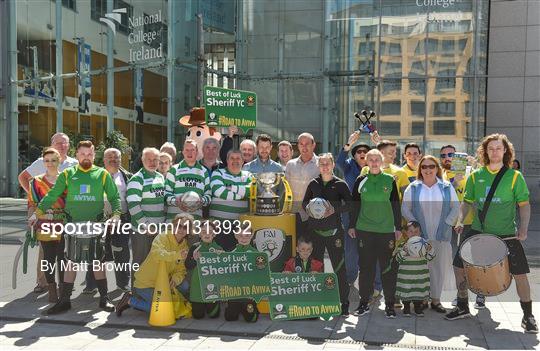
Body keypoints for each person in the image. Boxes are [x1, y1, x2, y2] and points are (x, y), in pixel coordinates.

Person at [446, 134, 537, 334]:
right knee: (458, 266)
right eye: (491, 148)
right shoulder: (476, 176)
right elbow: (467, 202)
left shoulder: (514, 176)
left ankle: (528, 315)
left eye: (498, 148)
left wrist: (523, 229)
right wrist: (461, 219)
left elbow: (524, 205)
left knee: (521, 274)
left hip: (506, 234)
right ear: (485, 152)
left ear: (506, 151)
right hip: (478, 231)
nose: (495, 152)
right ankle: (462, 305)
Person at [30, 140, 120, 315]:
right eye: (83, 154)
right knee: (70, 262)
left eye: (89, 154)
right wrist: (37, 213)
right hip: (72, 225)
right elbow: (52, 195)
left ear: (94, 155)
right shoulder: (67, 174)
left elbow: (114, 197)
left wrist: (116, 215)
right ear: (77, 155)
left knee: (98, 262)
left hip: (95, 225)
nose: (86, 157)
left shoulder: (102, 174)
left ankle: (104, 299)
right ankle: (65, 301)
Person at [19, 132, 78, 293]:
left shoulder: (75, 163)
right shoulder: (41, 162)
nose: (62, 146)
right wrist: (34, 196)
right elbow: (23, 177)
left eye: (65, 143)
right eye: (58, 143)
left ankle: (64, 284)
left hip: (66, 213)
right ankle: (43, 282)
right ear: (52, 145)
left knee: (66, 249)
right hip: (46, 213)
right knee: (46, 249)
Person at [401, 155, 459, 313]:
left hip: (441, 235)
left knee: (438, 268)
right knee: (422, 268)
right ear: (420, 169)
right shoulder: (413, 187)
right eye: (424, 167)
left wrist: (447, 223)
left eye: (431, 166)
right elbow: (405, 208)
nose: (428, 170)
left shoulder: (446, 186)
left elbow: (455, 207)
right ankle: (422, 299)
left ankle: (436, 300)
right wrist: (415, 224)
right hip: (421, 236)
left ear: (437, 169)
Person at [349, 149, 402, 318]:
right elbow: (354, 205)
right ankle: (364, 303)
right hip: (364, 230)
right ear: (366, 161)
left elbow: (395, 205)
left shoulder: (390, 180)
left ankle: (389, 305)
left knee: (387, 269)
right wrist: (352, 225)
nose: (373, 162)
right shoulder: (360, 180)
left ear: (381, 162)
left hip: (386, 230)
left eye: (376, 159)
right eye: (370, 159)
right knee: (366, 268)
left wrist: (398, 227)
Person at [115, 213, 192, 317]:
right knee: (165, 311)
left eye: (185, 227)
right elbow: (157, 254)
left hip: (164, 283)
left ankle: (167, 300)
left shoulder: (184, 246)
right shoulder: (162, 237)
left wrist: (175, 279)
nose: (181, 229)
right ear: (173, 226)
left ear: (188, 230)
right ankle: (130, 300)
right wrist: (177, 255)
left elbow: (181, 270)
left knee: (184, 286)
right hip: (146, 284)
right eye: (178, 226)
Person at [302, 153, 351, 315]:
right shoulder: (313, 183)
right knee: (316, 267)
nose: (324, 166)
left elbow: (351, 205)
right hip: (315, 232)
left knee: (339, 267)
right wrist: (309, 209)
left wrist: (333, 210)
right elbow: (304, 203)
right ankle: (318, 301)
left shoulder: (340, 184)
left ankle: (343, 302)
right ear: (318, 166)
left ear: (332, 165)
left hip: (334, 233)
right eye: (321, 164)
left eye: (327, 163)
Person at [84, 148, 133, 293]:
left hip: (121, 219)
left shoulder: (128, 177)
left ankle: (123, 284)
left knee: (122, 252)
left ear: (120, 159)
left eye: (116, 157)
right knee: (96, 252)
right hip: (98, 220)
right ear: (104, 160)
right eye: (109, 157)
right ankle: (91, 285)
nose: (113, 160)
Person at [439, 145, 480, 307]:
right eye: (444, 155)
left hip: (470, 223)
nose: (447, 157)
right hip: (449, 223)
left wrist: (475, 164)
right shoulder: (439, 174)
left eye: (451, 154)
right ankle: (461, 295)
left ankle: (480, 294)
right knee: (455, 262)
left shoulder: (471, 171)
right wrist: (454, 182)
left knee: (474, 260)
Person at [27, 147, 66, 303]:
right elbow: (32, 203)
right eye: (47, 161)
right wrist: (32, 221)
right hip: (45, 224)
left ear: (59, 161)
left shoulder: (66, 179)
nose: (50, 163)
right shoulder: (36, 182)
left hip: (64, 224)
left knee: (63, 258)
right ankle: (52, 289)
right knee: (48, 259)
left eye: (53, 160)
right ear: (43, 162)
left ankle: (64, 289)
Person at [335, 131, 372, 286]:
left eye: (365, 152)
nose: (362, 153)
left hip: (370, 213)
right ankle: (350, 280)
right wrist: (349, 144)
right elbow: (338, 162)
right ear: (355, 155)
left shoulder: (375, 168)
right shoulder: (349, 167)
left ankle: (369, 281)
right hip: (350, 213)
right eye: (359, 152)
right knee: (350, 249)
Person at [127, 148, 166, 272]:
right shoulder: (137, 179)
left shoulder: (160, 177)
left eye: (155, 159)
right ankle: (136, 292)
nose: (152, 162)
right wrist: (147, 226)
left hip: (158, 229)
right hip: (142, 231)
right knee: (140, 263)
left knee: (155, 263)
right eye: (149, 159)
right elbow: (133, 206)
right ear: (143, 160)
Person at [209, 149, 253, 251]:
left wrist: (232, 188)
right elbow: (219, 191)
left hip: (239, 228)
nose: (235, 161)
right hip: (218, 225)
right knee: (218, 256)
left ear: (243, 161)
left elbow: (251, 191)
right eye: (232, 158)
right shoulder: (218, 173)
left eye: (238, 158)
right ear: (227, 160)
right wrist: (242, 195)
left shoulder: (248, 175)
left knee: (235, 257)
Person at [185, 220, 223, 319]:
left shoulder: (219, 249)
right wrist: (194, 259)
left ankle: (214, 303)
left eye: (210, 231)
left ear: (214, 234)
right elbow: (187, 265)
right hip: (197, 286)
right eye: (203, 231)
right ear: (199, 234)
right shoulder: (195, 247)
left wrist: (221, 258)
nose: (207, 234)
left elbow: (225, 269)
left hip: (213, 286)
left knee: (214, 315)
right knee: (198, 316)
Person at [395, 221, 434, 317]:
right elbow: (397, 259)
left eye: (416, 231)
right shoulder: (403, 246)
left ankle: (417, 308)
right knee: (406, 292)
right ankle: (406, 308)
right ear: (406, 233)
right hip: (406, 276)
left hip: (420, 276)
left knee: (419, 291)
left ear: (420, 233)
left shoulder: (424, 246)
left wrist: (430, 249)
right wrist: (404, 251)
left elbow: (431, 257)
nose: (413, 234)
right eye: (411, 231)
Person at [165, 139, 211, 220]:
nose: (189, 153)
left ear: (197, 152)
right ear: (183, 152)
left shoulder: (204, 171)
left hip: (195, 221)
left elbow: (208, 194)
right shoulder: (174, 170)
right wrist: (176, 202)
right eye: (187, 150)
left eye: (192, 150)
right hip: (174, 221)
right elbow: (166, 193)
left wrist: (201, 202)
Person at [285, 133, 320, 240]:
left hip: (314, 215)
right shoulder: (290, 164)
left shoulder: (321, 163)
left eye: (307, 144)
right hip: (293, 215)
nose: (304, 147)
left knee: (313, 250)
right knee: (293, 248)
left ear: (313, 145)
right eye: (301, 144)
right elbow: (285, 190)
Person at [224, 228, 259, 323]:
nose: (244, 238)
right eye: (240, 236)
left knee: (251, 319)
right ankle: (235, 308)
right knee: (230, 318)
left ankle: (250, 308)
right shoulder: (230, 253)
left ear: (251, 236)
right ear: (236, 236)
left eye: (247, 236)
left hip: (249, 293)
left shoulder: (257, 254)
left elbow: (262, 273)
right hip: (234, 292)